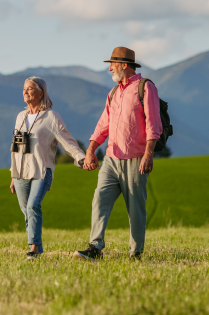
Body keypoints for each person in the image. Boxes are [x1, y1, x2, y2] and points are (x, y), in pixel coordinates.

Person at [74, 46, 162, 260]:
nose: (110, 68)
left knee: (136, 208)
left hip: (136, 159)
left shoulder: (145, 87)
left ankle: (136, 253)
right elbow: (103, 124)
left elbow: (154, 123)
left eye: (112, 64)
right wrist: (91, 150)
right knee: (100, 198)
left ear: (124, 65)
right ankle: (95, 248)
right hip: (111, 159)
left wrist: (149, 154)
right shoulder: (113, 93)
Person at [10, 76, 86, 260]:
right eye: (24, 89)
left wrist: (81, 157)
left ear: (40, 93)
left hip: (41, 171)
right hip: (20, 172)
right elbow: (16, 147)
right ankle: (38, 247)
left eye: (30, 88)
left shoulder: (51, 117)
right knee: (26, 210)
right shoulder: (20, 117)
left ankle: (34, 249)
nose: (25, 91)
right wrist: (12, 175)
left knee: (33, 206)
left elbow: (67, 141)